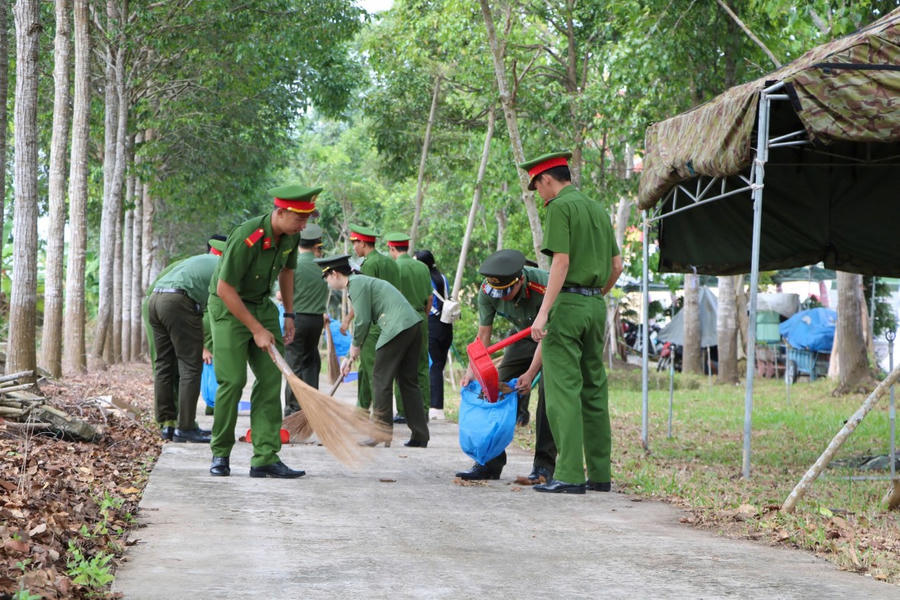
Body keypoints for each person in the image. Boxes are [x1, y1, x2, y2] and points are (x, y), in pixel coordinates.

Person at [518, 151, 622, 494]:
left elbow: (560, 263)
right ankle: (600, 475)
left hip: (568, 306)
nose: (539, 194)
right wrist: (595, 294)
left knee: (562, 391)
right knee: (594, 389)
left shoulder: (560, 207)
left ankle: (570, 474)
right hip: (594, 305)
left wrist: (544, 311)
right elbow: (617, 266)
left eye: (537, 187)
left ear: (546, 179)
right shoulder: (597, 209)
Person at [207, 184, 319, 479]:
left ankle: (265, 457)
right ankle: (221, 453)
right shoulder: (248, 237)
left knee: (271, 380)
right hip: (228, 308)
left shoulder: (291, 236)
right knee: (233, 381)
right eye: (299, 218)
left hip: (261, 305)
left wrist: (290, 315)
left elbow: (287, 272)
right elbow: (225, 289)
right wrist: (256, 330)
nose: (303, 225)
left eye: (306, 219)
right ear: (280, 212)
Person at [456, 249, 557, 483]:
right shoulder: (487, 291)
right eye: (496, 292)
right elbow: (483, 335)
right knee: (493, 388)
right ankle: (489, 463)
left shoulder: (544, 286)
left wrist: (530, 374)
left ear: (520, 280)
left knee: (548, 394)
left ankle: (543, 467)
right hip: (522, 336)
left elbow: (547, 337)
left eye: (505, 291)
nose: (500, 297)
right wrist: (473, 372)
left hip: (552, 338)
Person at [319, 254, 429, 448]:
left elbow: (363, 320)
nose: (327, 282)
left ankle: (380, 432)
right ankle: (420, 435)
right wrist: (351, 355)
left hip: (397, 327)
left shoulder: (356, 284)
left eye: (326, 277)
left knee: (380, 379)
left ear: (334, 274)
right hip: (412, 324)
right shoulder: (361, 281)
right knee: (408, 381)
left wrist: (353, 348)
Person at [147, 239, 224, 443]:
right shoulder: (225, 266)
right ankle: (186, 427)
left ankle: (167, 423)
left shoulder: (199, 260)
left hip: (155, 299)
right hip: (178, 301)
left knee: (164, 364)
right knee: (190, 365)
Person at [340, 224, 401, 416]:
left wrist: (348, 320)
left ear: (363, 243)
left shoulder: (368, 265)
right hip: (393, 322)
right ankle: (362, 408)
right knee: (370, 368)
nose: (354, 248)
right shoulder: (391, 263)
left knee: (372, 370)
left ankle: (379, 415)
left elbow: (363, 300)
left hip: (374, 324)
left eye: (355, 243)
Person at [385, 232, 432, 419]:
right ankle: (424, 410)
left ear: (392, 248)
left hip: (401, 319)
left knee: (401, 366)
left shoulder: (393, 268)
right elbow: (429, 298)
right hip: (421, 317)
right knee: (422, 365)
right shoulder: (423, 267)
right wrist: (423, 315)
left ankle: (404, 411)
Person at [283, 223, 329, 416]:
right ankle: (311, 409)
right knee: (311, 362)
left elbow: (281, 294)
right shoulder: (323, 266)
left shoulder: (294, 265)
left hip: (297, 319)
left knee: (294, 363)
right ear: (316, 243)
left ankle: (294, 409)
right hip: (317, 321)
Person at [414, 250, 452, 420]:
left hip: (433, 323)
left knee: (433, 366)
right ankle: (437, 405)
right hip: (446, 324)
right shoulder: (442, 278)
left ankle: (436, 407)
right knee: (439, 364)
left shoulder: (424, 279)